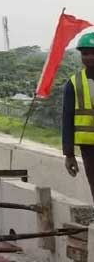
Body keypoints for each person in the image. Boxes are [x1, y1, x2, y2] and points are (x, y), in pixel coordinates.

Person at [64, 33, 94, 199]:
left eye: (93, 53)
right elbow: (67, 119)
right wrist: (69, 154)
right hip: (89, 147)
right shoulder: (74, 83)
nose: (89, 57)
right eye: (85, 53)